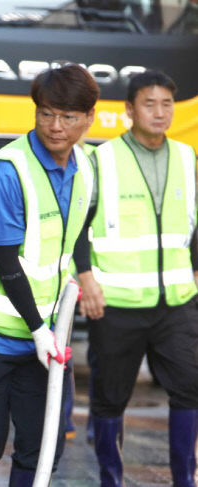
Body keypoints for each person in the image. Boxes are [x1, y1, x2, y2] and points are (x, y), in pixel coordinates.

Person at [0, 63, 99, 485]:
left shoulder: (85, 167)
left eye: (69, 117)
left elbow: (77, 234)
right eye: (46, 113)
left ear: (89, 118)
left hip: (46, 336)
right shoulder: (6, 171)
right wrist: (37, 328)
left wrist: (81, 282)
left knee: (42, 446)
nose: (56, 126)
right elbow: (5, 260)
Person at [74, 70, 198, 487]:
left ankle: (185, 479)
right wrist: (86, 278)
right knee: (109, 400)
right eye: (150, 103)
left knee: (190, 388)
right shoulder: (102, 159)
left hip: (177, 303)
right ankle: (111, 479)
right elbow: (77, 228)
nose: (160, 112)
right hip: (117, 304)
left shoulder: (186, 157)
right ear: (129, 110)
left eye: (167, 104)